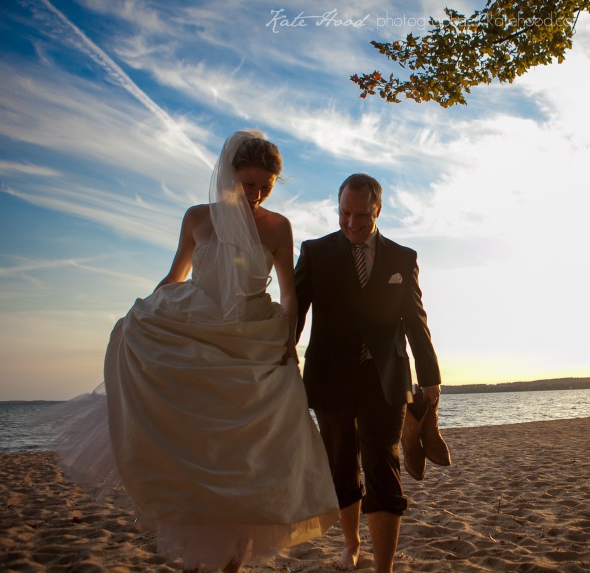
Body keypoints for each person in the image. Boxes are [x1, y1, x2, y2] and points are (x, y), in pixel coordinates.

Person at [46, 130, 340, 572]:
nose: (256, 194)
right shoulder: (197, 218)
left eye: (265, 186)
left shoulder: (278, 226)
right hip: (196, 330)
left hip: (252, 341)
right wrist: (138, 320)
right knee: (200, 450)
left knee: (250, 457)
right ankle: (203, 552)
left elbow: (288, 292)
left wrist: (289, 341)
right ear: (230, 175)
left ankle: (231, 561)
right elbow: (175, 276)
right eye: (248, 184)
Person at [294, 173, 442, 572]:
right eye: (344, 212)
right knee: (341, 465)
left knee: (383, 464)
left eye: (361, 214)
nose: (352, 222)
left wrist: (431, 381)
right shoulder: (314, 251)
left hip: (385, 378)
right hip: (329, 376)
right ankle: (351, 543)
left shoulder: (402, 257)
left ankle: (384, 567)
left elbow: (416, 321)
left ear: (377, 210)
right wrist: (282, 354)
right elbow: (297, 311)